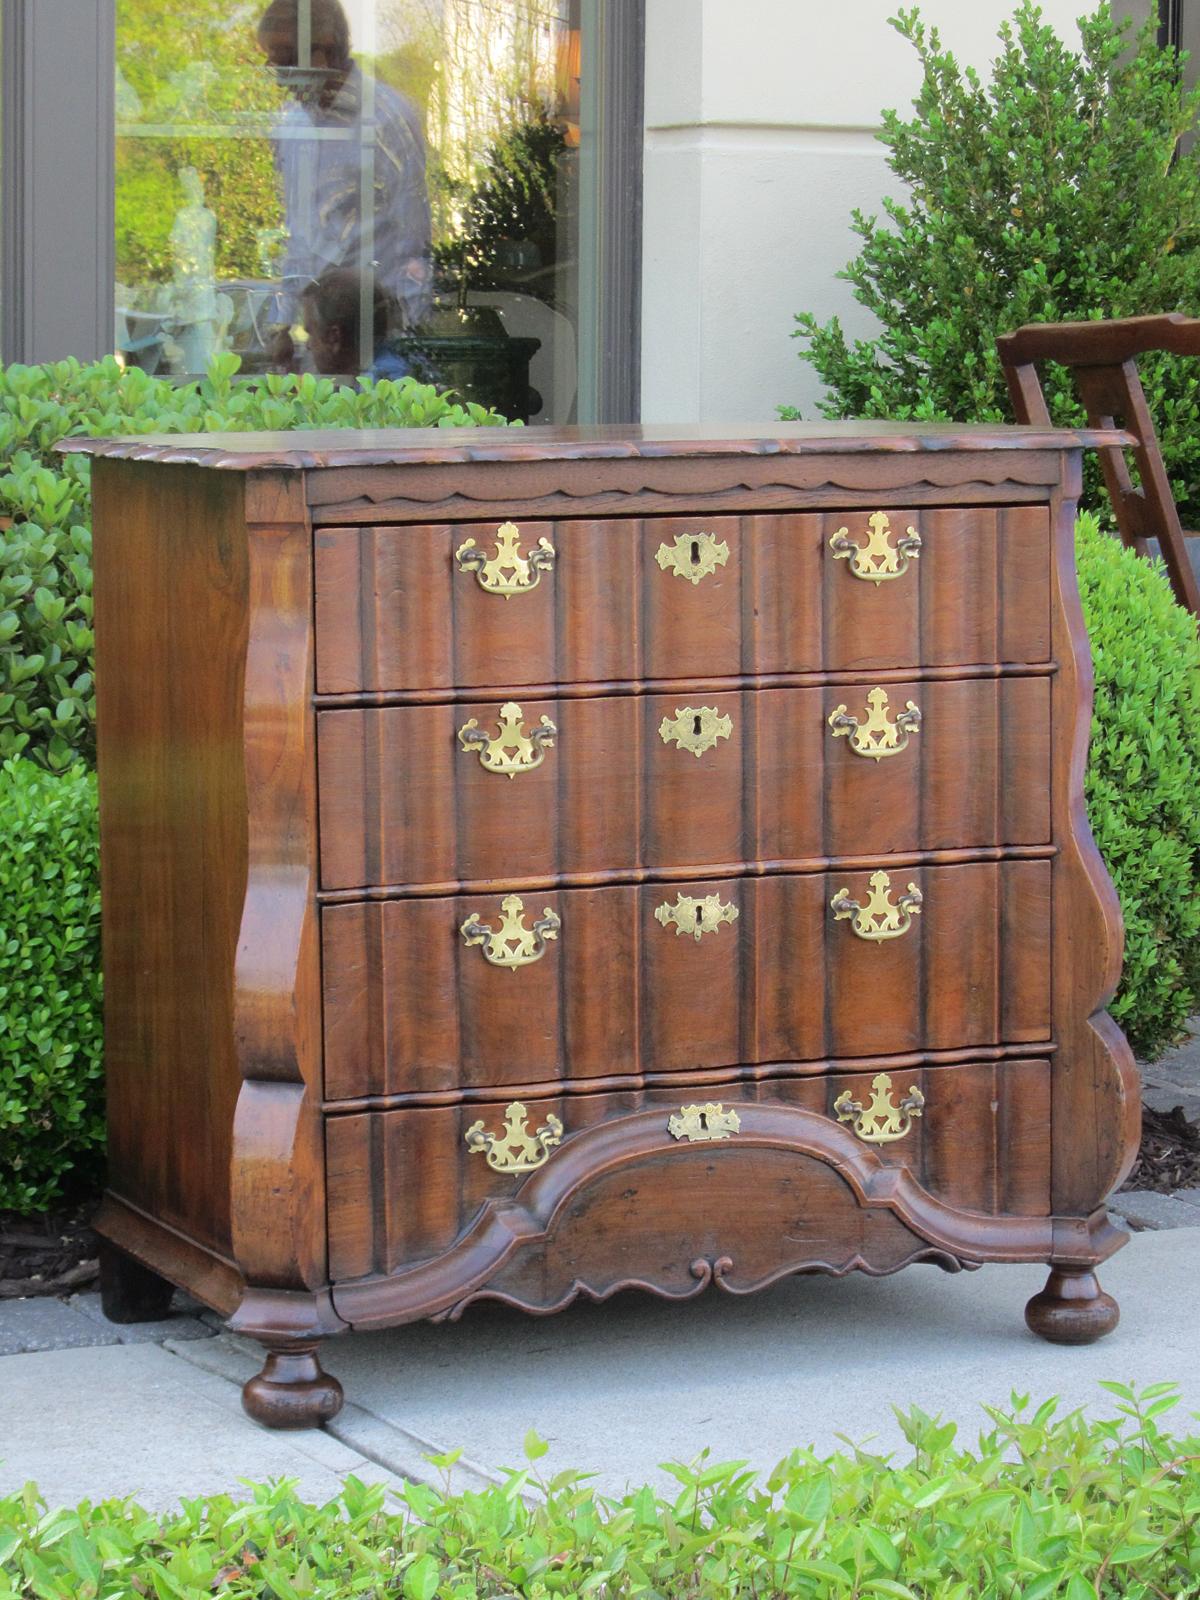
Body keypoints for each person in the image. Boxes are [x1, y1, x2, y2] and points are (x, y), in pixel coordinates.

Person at [256, 0, 433, 369]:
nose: (277, 76)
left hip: (377, 343)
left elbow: (412, 244)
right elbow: (299, 238)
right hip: (319, 342)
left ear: (324, 52)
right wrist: (283, 324)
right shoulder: (292, 124)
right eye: (273, 62)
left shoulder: (387, 118)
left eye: (286, 59)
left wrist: (406, 347)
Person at [301, 267, 412, 379]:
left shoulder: (379, 385)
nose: (308, 345)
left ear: (333, 337)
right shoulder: (380, 371)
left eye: (310, 333)